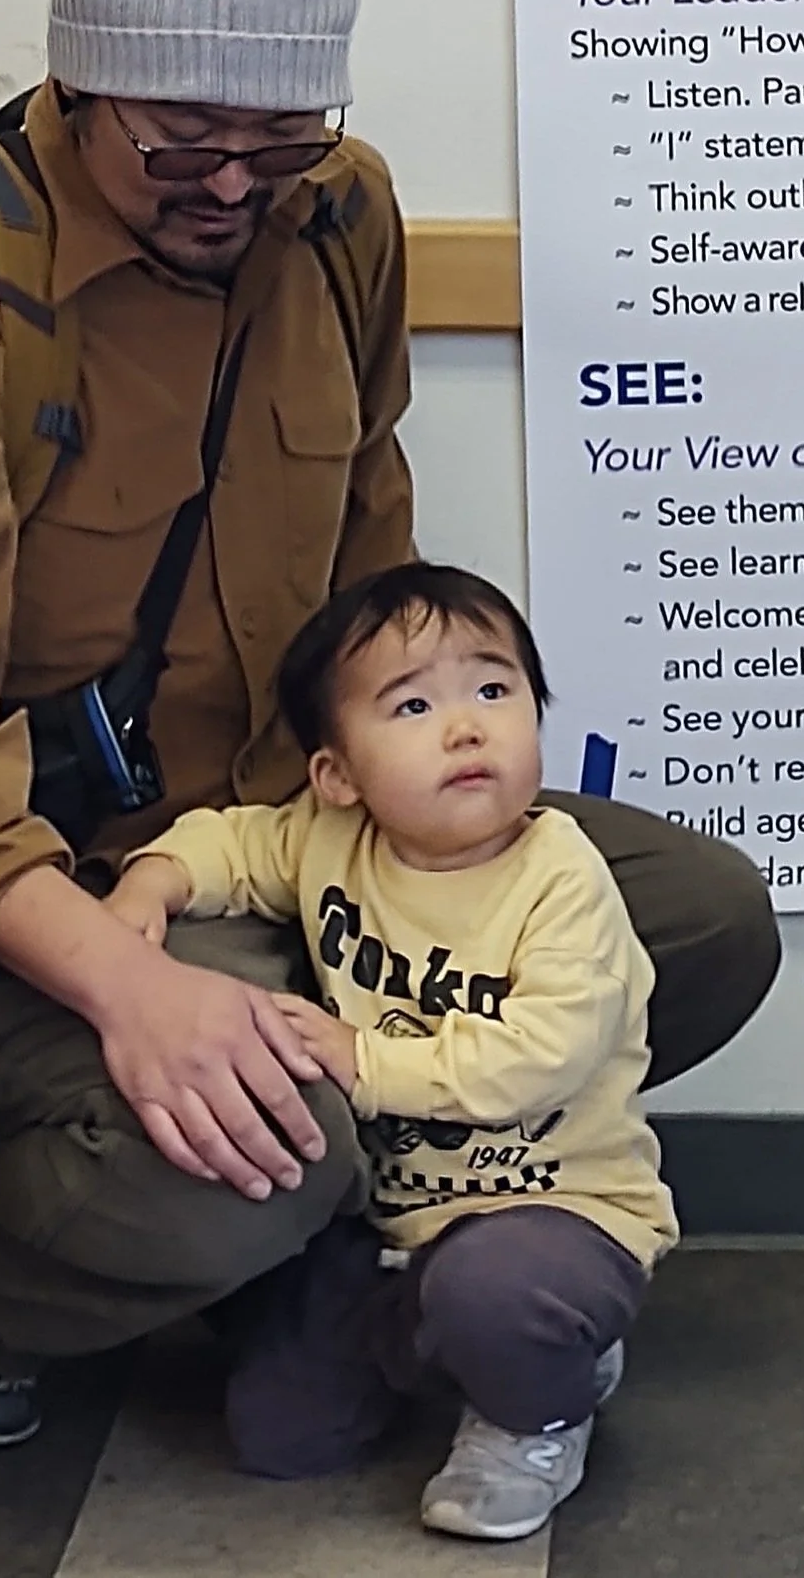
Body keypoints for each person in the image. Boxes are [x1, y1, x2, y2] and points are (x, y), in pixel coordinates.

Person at [0, 0, 778, 1449]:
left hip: (291, 829)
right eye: (185, 143)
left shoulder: (340, 218)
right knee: (282, 1135)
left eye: (280, 137)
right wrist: (131, 982)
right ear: (78, 82)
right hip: (15, 891)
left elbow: (370, 575)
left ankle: (303, 1227)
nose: (237, 186)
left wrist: (435, 811)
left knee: (693, 919)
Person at [108, 559, 671, 1544]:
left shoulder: (561, 877)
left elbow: (535, 1055)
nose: (465, 727)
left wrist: (358, 1057)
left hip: (549, 1205)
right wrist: (149, 886)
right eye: (412, 705)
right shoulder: (330, 838)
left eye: (494, 691)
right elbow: (234, 845)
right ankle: (462, 1348)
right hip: (390, 1221)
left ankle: (540, 1407)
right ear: (335, 773)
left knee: (495, 1293)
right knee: (281, 1433)